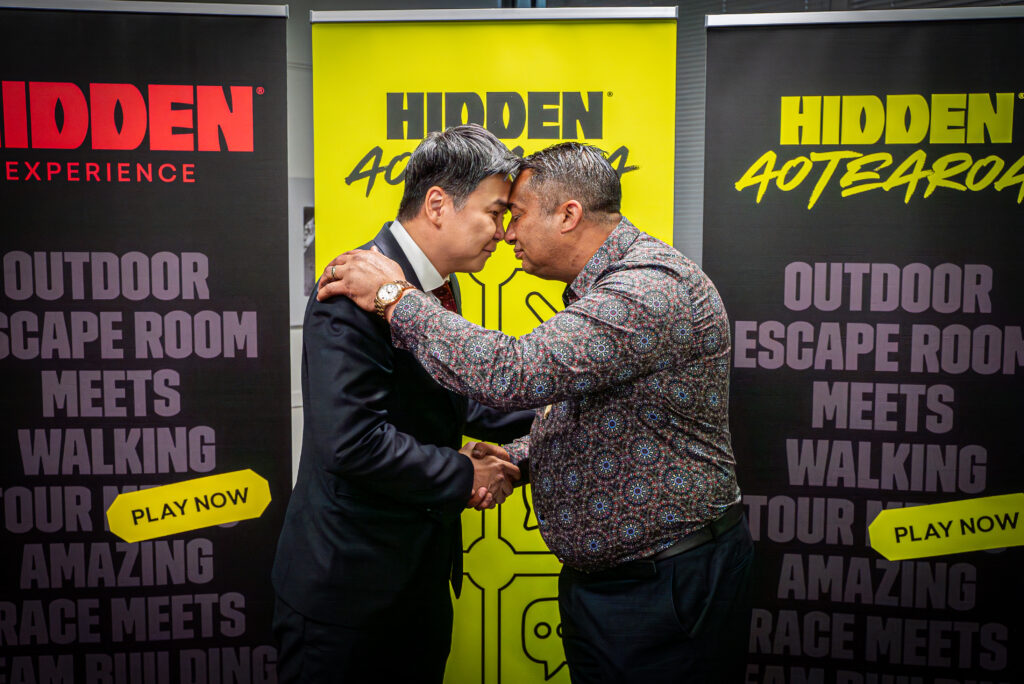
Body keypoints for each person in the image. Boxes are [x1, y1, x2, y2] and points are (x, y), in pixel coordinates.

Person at [318, 142, 755, 683]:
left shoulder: (644, 290)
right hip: (626, 585)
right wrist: (517, 460)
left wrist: (393, 296)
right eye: (499, 214)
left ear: (568, 215)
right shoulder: (607, 287)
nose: (507, 234)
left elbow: (513, 374)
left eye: (516, 215)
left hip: (665, 585)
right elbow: (600, 417)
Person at [272, 124, 532, 684]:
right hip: (348, 593)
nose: (503, 232)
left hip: (415, 579)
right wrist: (465, 473)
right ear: (437, 204)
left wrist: (571, 411)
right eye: (494, 213)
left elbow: (457, 399)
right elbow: (352, 443)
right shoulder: (350, 289)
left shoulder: (433, 286)